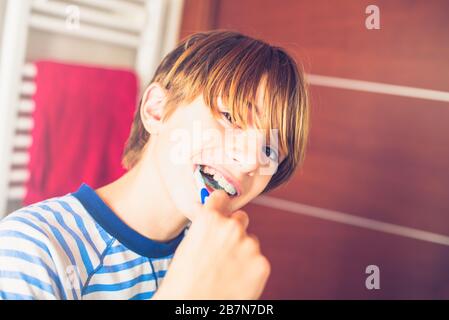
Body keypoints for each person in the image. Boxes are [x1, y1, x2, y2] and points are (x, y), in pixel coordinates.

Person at [0, 30, 309, 299]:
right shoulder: (33, 249)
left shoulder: (222, 263)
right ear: (156, 110)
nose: (251, 161)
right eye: (230, 117)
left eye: (269, 150)